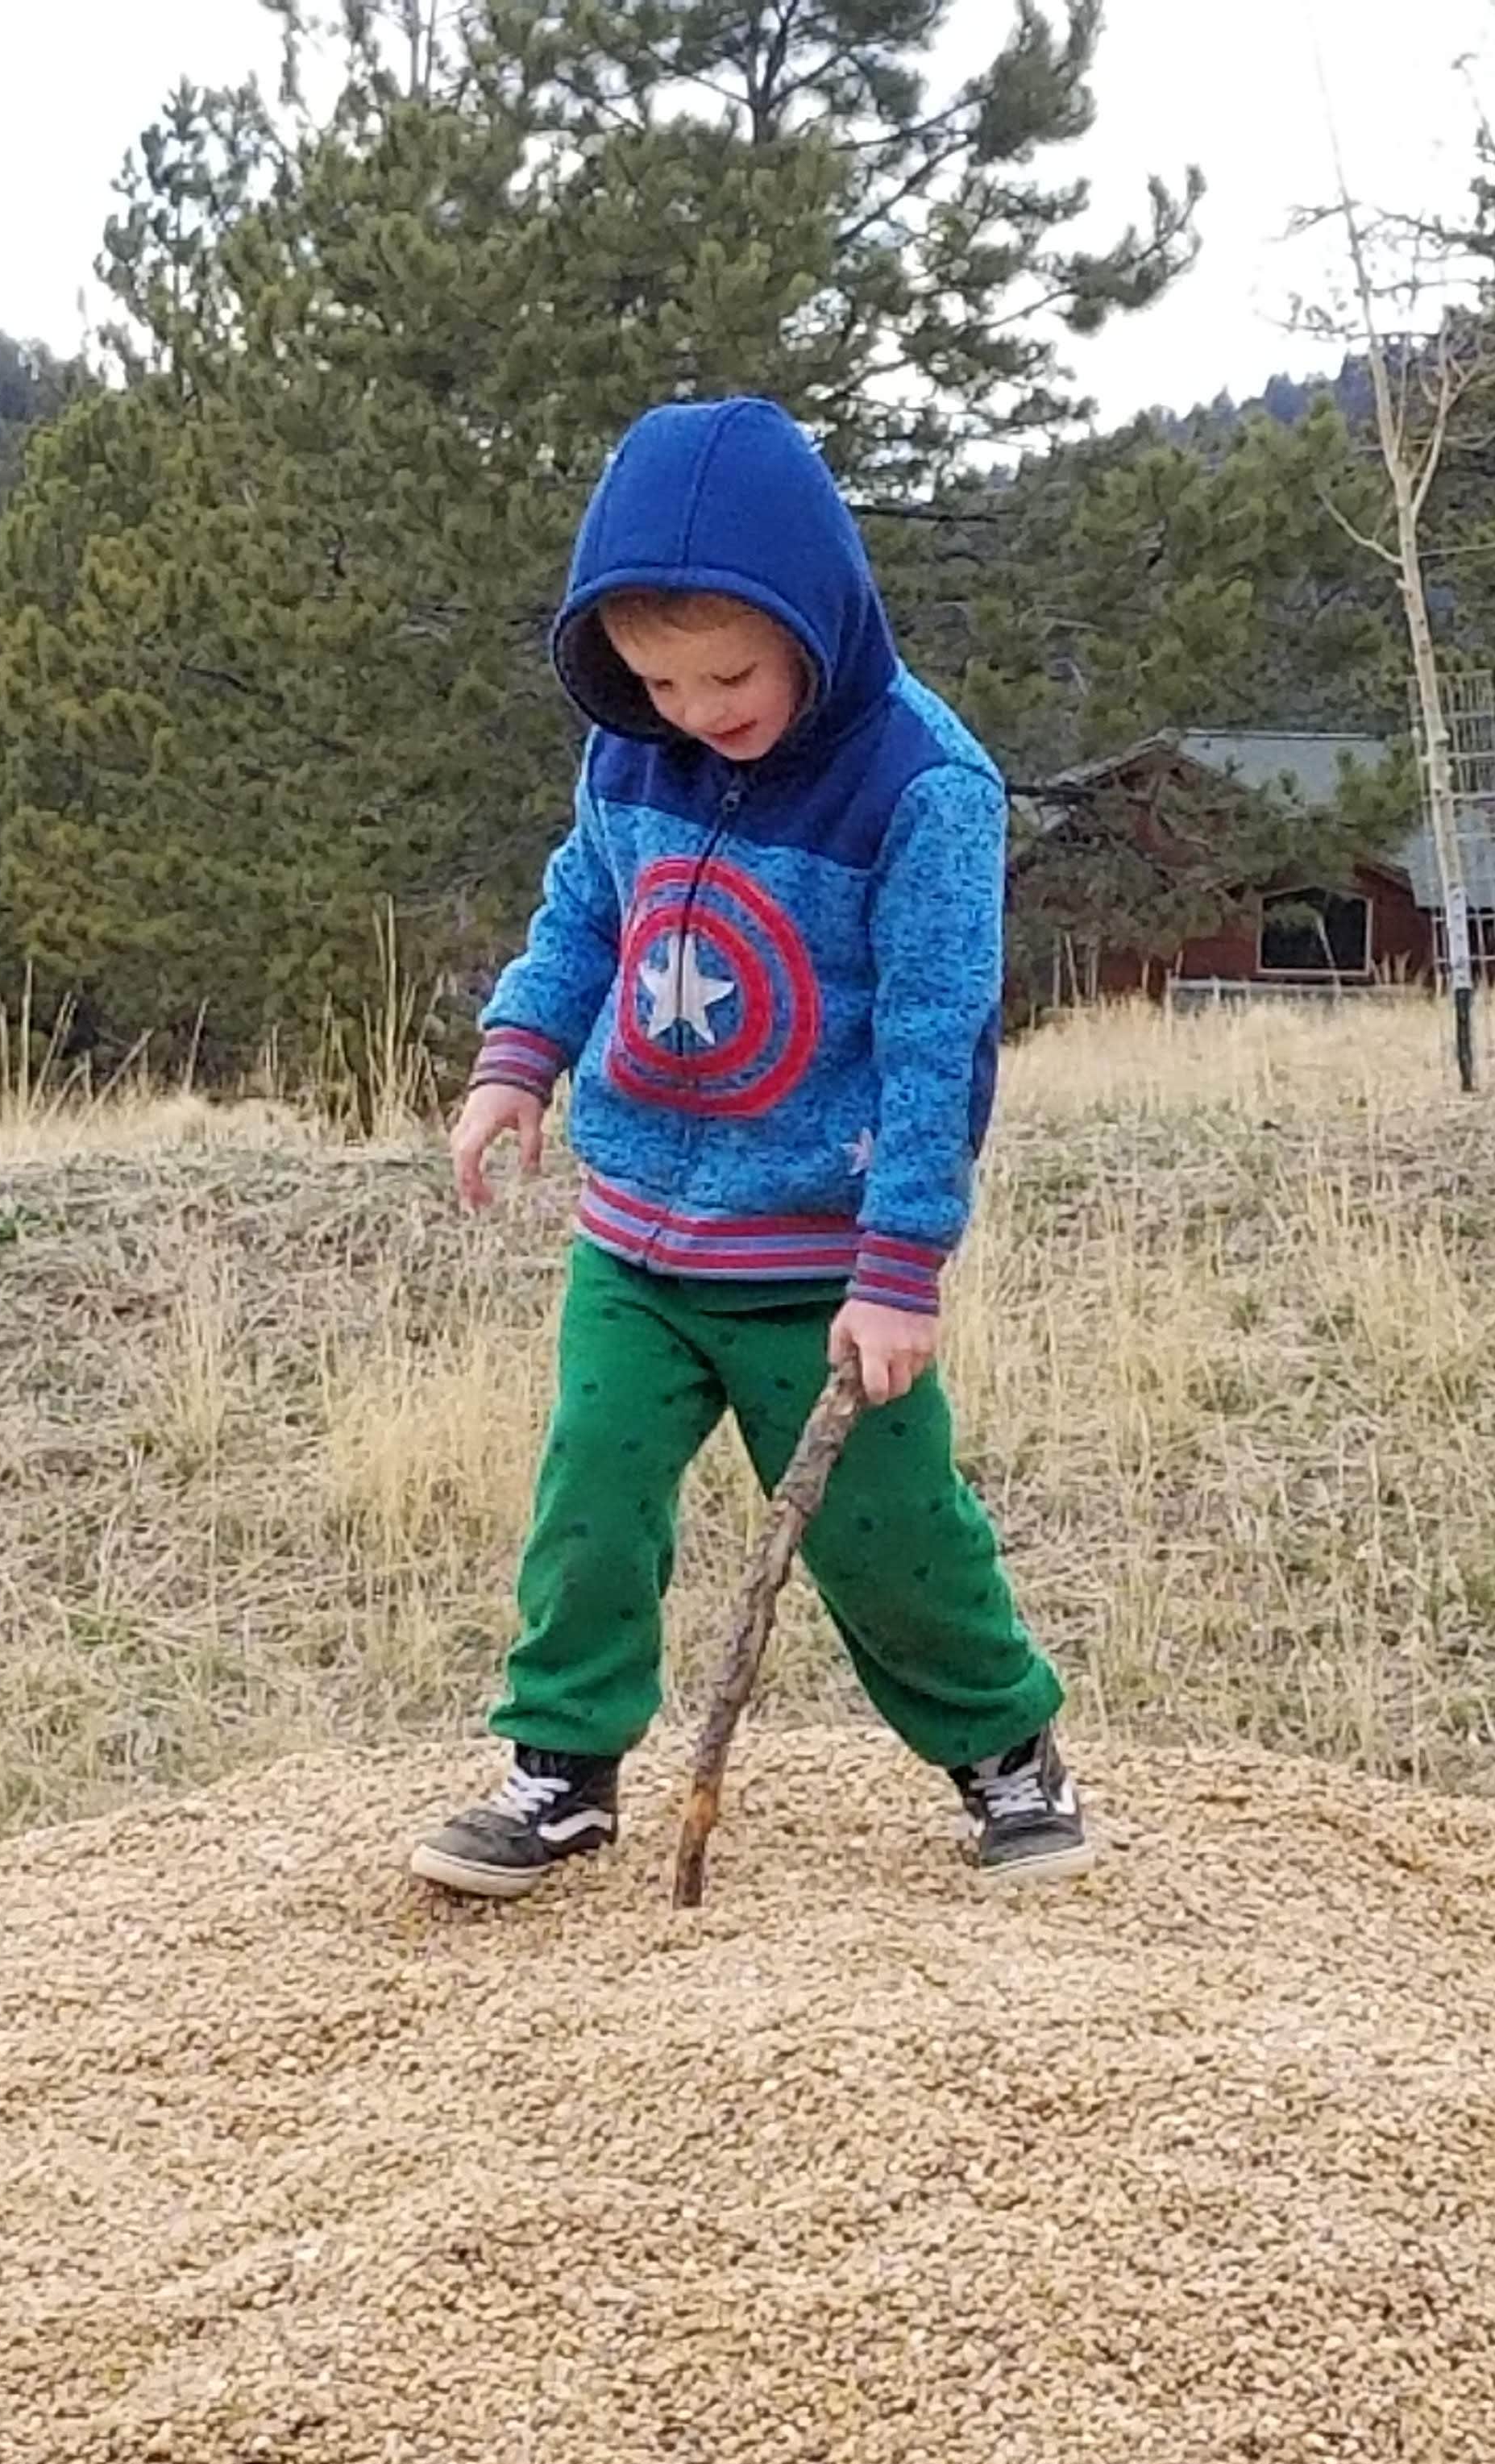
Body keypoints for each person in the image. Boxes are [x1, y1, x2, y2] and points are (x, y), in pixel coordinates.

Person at [410, 394, 1091, 1901]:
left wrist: (901, 1266)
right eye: (656, 676)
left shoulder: (924, 787)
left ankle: (1004, 1753)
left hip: (821, 1261)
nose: (697, 708)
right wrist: (519, 1059)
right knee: (588, 1495)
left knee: (889, 1536)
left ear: (817, 618)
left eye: (729, 672)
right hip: (637, 1238)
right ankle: (561, 1771)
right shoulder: (630, 755)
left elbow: (936, 1043)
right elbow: (585, 909)